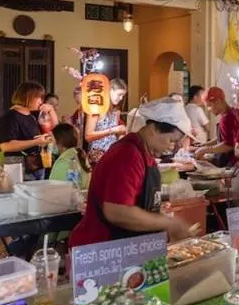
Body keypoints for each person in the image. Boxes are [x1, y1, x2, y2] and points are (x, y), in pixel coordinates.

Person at [68, 97, 195, 247]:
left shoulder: (145, 155)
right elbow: (116, 211)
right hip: (101, 250)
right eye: (172, 140)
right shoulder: (128, 155)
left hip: (128, 248)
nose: (174, 148)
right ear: (154, 129)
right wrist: (169, 223)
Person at [0, 82, 52, 180]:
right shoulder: (10, 117)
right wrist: (36, 142)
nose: (41, 101)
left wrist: (51, 110)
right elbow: (5, 146)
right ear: (28, 97)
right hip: (19, 165)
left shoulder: (32, 116)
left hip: (37, 164)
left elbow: (54, 127)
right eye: (38, 97)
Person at [195, 87, 239, 167]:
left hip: (232, 163)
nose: (208, 109)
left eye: (209, 105)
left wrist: (205, 150)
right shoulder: (234, 111)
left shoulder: (228, 117)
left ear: (218, 101)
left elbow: (229, 145)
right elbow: (223, 137)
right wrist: (205, 145)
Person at [86, 78, 128, 164]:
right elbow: (88, 136)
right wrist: (113, 130)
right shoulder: (96, 108)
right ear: (110, 90)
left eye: (123, 96)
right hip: (97, 155)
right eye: (119, 94)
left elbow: (117, 135)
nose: (121, 98)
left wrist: (121, 134)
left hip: (113, 153)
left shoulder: (116, 111)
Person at [48, 122, 91, 188]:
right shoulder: (79, 155)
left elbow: (57, 192)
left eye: (51, 140)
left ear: (60, 142)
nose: (49, 143)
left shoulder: (64, 163)